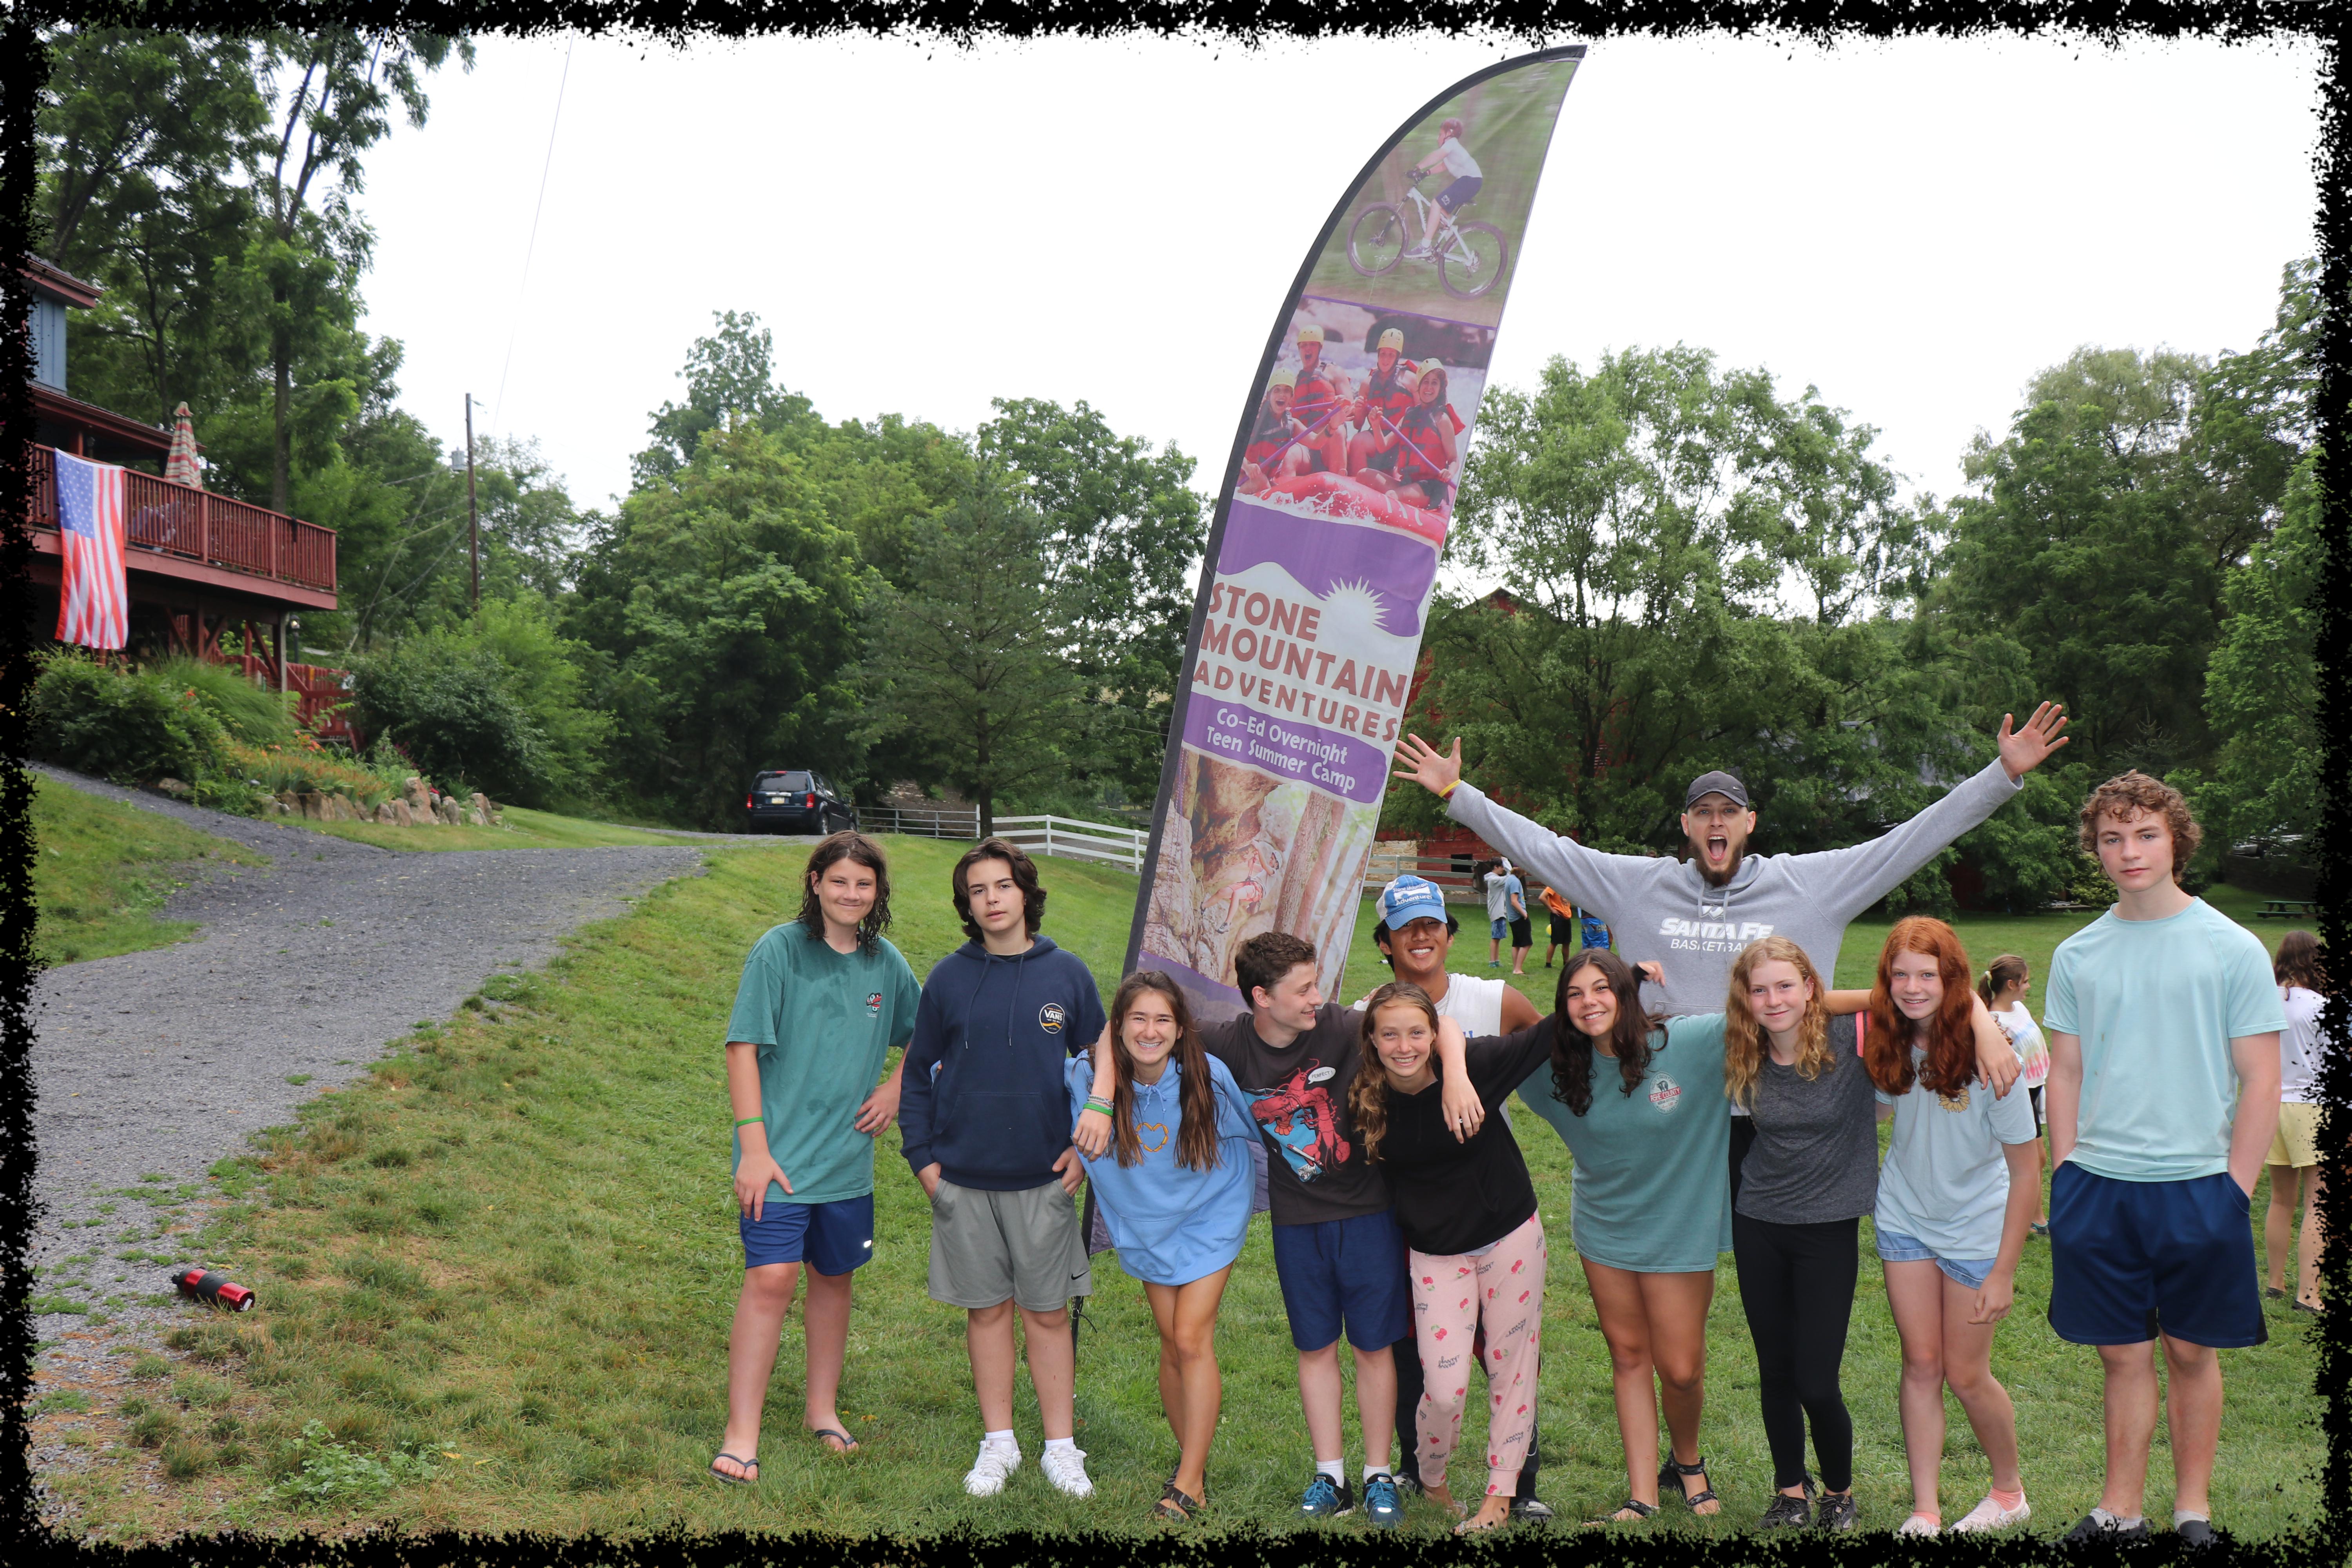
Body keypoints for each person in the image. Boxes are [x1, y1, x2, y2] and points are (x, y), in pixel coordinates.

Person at [1392, 711, 2062, 1192]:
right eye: (1702, 812)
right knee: (1662, 1261)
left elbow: (1911, 840)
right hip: (1670, 1104)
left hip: (1786, 1110)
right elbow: (1546, 849)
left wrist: (2000, 776)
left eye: (1729, 811)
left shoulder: (1809, 883)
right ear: (1686, 826)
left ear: (1749, 823)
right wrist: (1460, 794)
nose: (1716, 822)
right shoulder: (1639, 886)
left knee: (1781, 1275)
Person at [1072, 930, 1480, 1526]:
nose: (1319, 996)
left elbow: (1434, 1024)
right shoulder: (1227, 1043)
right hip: (1297, 1223)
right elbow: (1119, 1033)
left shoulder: (1343, 1026)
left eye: (1317, 985)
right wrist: (1104, 1095)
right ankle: (1329, 1475)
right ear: (1262, 997)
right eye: (1305, 988)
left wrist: (1460, 1075)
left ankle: (1377, 1475)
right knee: (1313, 1349)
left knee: (1372, 1348)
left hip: (1369, 1215)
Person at [2043, 773, 2285, 1547]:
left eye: (2145, 833)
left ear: (2176, 837)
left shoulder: (2231, 946)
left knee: (2188, 1348)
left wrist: (2234, 1189)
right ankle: (2120, 1509)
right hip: (2102, 1187)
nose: (2129, 851)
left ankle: (2192, 1512)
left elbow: (2261, 1076)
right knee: (2121, 1353)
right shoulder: (2078, 952)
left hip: (2199, 1185)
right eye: (2112, 837)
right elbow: (2067, 1073)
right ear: (2097, 850)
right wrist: (2067, 1175)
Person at [898, 839, 1109, 1501]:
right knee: (986, 1313)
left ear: (1026, 892)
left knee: (1047, 1315)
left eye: (1003, 886)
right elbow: (916, 1076)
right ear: (967, 903)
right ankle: (999, 1444)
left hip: (1044, 1179)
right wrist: (925, 1163)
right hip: (962, 1180)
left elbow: (1105, 1057)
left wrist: (1088, 1137)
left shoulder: (1067, 974)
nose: (991, 899)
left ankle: (1060, 1447)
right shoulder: (948, 978)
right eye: (978, 890)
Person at [712, 832, 920, 1486]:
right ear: (815, 883)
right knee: (771, 1281)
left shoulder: (886, 964)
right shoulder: (778, 952)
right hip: (776, 1162)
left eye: (864, 885)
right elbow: (742, 1047)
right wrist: (753, 1148)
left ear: (878, 893)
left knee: (833, 1281)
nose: (851, 894)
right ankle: (740, 1433)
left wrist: (894, 1088)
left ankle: (821, 1411)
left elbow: (931, 1032)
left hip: (847, 1166)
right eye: (839, 882)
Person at [1511, 949, 1731, 1526]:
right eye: (1576, 994)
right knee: (1629, 1357)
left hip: (1681, 1225)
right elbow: (1487, 1043)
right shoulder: (1556, 1070)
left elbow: (1781, 1005)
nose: (1590, 1003)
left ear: (1627, 996)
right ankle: (1642, 1495)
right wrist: (1606, 994)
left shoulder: (1686, 1043)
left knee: (1681, 1369)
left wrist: (1974, 1016)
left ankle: (1687, 1463)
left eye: (1603, 989)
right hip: (1604, 1227)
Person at [1358, 875, 1548, 1519]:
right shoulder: (1369, 1021)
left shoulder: (1489, 996)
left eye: (1431, 924)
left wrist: (1463, 1072)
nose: (1421, 936)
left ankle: (1513, 1491)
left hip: (1499, 1212)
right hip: (1427, 1235)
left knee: (1512, 1365)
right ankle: (1426, 1474)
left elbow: (1549, 1042)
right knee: (1439, 1380)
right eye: (1407, 927)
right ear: (1384, 941)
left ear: (1448, 932)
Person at [1863, 919, 2041, 1537]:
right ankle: (1925, 1509)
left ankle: (2008, 1492)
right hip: (1905, 1218)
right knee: (1920, 1363)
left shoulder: (1995, 1058)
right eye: (1900, 974)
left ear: (1954, 980)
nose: (1913, 987)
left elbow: (2026, 1173)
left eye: (1928, 975)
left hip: (1975, 1232)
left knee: (1966, 1375)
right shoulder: (1887, 1041)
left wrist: (2004, 1272)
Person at [1066, 972, 1258, 1521]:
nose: (1150, 1031)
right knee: (1171, 1344)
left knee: (1192, 1337)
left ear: (1180, 1029)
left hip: (1210, 1214)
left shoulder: (1207, 1077)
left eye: (1163, 1020)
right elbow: (1031, 1085)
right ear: (1118, 1026)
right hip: (1147, 1220)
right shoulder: (1087, 1078)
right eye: (1138, 1019)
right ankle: (1190, 1464)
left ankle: (1189, 1483)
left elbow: (1262, 1131)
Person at [1724, 935, 1877, 1531]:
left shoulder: (1852, 1037)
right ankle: (1791, 1492)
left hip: (1828, 1227)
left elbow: (1911, 997)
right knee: (1777, 1371)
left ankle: (1839, 1492)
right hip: (1760, 1220)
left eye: (1787, 985)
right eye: (1759, 990)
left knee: (1817, 1378)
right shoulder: (1743, 1046)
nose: (1773, 1000)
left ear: (1812, 986)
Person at [2264, 930, 2329, 1315]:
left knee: (2281, 1199)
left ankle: (2275, 1282)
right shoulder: (2321, 1006)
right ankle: (2309, 1294)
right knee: (2317, 1203)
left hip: (2272, 1104)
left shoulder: (2267, 1000)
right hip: (2312, 1106)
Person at [1977, 955, 2053, 1235]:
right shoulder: (1994, 1021)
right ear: (2011, 984)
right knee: (2031, 1159)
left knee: (2039, 1158)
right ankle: (2034, 1219)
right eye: (2026, 981)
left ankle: (2034, 1216)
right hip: (2017, 1094)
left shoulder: (2019, 1008)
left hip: (2035, 1088)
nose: (2029, 986)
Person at [1403, 116, 1482, 258]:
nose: (1438, 138)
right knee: (1442, 211)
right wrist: (1426, 173)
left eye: (1440, 134)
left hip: (1470, 181)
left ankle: (1425, 247)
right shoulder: (1453, 149)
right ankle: (1451, 240)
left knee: (1436, 204)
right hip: (1471, 182)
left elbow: (1438, 156)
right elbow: (1444, 165)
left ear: (1449, 134)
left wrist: (1418, 167)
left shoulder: (1452, 144)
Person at [1346, 328, 1419, 479]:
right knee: (1358, 441)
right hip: (1377, 437)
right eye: (1383, 354)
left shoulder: (1411, 380)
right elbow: (1358, 425)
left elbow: (1422, 413)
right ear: (1378, 354)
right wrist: (1359, 410)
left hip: (1402, 440)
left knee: (1403, 468)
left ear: (1398, 357)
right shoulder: (1367, 384)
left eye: (1391, 355)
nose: (1386, 359)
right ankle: (1357, 485)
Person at [1287, 323, 1351, 473]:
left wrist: (1343, 404)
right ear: (1299, 349)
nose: (1308, 349)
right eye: (1304, 346)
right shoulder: (1293, 383)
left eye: (1313, 345)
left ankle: (1338, 484)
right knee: (1289, 455)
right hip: (1306, 442)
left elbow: (1351, 408)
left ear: (1320, 348)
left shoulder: (1335, 373)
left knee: (1338, 432)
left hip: (1330, 438)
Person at [1241, 370, 1313, 495]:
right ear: (1269, 396)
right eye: (1277, 390)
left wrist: (1334, 425)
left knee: (1279, 492)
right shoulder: (1254, 420)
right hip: (1241, 476)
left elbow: (1316, 442)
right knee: (1261, 481)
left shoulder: (1290, 424)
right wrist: (1247, 467)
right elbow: (1234, 449)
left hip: (1262, 479)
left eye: (1287, 391)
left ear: (1292, 398)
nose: (1282, 395)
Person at [1539, 886, 1575, 969]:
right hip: (1557, 916)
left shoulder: (1565, 886)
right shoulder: (1553, 886)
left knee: (1567, 942)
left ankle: (1566, 963)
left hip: (1567, 916)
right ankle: (1548, 964)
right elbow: (1542, 897)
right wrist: (1552, 909)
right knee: (1555, 941)